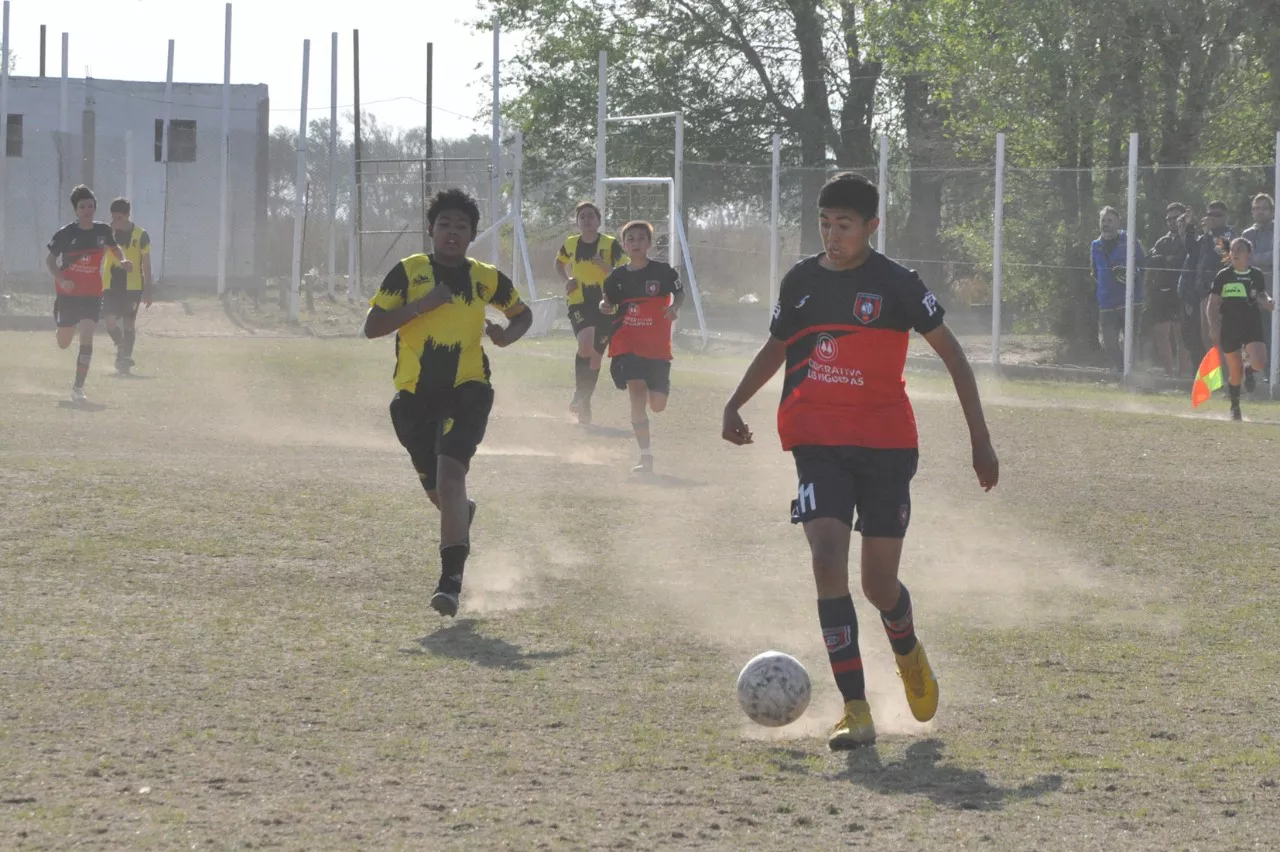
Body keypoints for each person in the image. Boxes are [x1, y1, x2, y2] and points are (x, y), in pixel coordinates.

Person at [720, 173, 999, 750]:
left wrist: (980, 440)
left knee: (877, 584)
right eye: (824, 223)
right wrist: (734, 402)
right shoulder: (800, 281)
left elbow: (954, 356)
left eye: (844, 224)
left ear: (872, 227)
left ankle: (907, 647)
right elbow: (776, 347)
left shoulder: (897, 284)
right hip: (817, 441)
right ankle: (855, 708)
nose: (832, 234)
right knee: (827, 559)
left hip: (886, 445)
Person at [363, 188, 533, 617]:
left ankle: (449, 584)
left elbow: (522, 314)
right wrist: (422, 305)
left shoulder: (486, 278)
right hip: (414, 397)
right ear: (431, 230)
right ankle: (461, 514)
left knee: (452, 476)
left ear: (473, 235)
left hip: (468, 390)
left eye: (461, 227)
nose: (452, 233)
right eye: (444, 225)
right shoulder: (409, 272)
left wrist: (505, 336)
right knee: (443, 494)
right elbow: (372, 326)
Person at [599, 220, 684, 474]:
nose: (635, 243)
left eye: (640, 238)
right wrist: (603, 307)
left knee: (657, 405)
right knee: (636, 395)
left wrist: (674, 307)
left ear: (649, 242)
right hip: (627, 343)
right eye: (630, 239)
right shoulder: (616, 278)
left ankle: (649, 391)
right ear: (624, 245)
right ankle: (646, 456)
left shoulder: (664, 272)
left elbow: (680, 293)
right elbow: (607, 303)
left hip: (657, 347)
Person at [45, 185, 131, 404]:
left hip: (91, 293)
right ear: (76, 210)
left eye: (91, 205)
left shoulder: (103, 231)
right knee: (64, 342)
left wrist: (122, 259)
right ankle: (63, 325)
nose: (87, 209)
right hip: (68, 293)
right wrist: (62, 279)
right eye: (82, 206)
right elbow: (50, 261)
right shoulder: (66, 233)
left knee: (87, 332)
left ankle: (78, 388)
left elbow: (115, 248)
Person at [555, 201, 626, 424]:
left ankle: (585, 401)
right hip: (579, 301)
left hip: (607, 302)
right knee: (585, 343)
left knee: (595, 357)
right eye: (582, 216)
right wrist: (567, 280)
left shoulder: (610, 244)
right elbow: (559, 263)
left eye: (591, 216)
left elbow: (625, 271)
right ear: (577, 222)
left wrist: (606, 268)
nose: (587, 220)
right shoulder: (570, 243)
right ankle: (579, 392)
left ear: (599, 221)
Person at [1207, 237, 1274, 421]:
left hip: (1252, 324)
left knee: (1260, 362)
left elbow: (1262, 294)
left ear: (1248, 254)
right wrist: (1213, 327)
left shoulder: (1256, 274)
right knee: (1235, 372)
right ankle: (1235, 407)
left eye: (1240, 250)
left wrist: (1267, 302)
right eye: (1233, 250)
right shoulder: (1223, 275)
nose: (1235, 253)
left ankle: (1250, 370)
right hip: (1230, 326)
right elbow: (1212, 304)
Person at [102, 198, 153, 374]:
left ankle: (124, 360)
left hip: (133, 285)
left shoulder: (141, 235)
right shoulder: (108, 233)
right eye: (113, 217)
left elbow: (146, 264)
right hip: (111, 284)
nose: (115, 221)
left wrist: (148, 289)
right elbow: (99, 255)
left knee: (129, 324)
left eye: (119, 218)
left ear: (127, 215)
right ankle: (121, 346)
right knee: (109, 323)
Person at [1090, 207, 1144, 373]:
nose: (1105, 224)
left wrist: (1132, 276)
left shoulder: (1129, 240)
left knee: (1130, 341)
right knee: (1108, 341)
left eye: (1109, 220)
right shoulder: (1095, 245)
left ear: (1118, 222)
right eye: (1103, 221)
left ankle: (1132, 374)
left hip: (1130, 300)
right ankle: (1123, 370)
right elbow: (1094, 271)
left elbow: (1143, 264)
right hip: (1106, 301)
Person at [1181, 200, 1234, 358]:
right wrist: (1189, 227)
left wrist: (1212, 234)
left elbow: (1226, 255)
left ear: (1225, 216)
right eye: (1210, 214)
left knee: (1218, 335)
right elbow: (1191, 250)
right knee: (1207, 337)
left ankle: (1228, 375)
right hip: (1204, 290)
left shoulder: (1229, 234)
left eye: (1217, 215)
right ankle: (1214, 376)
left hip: (1222, 292)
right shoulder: (1206, 235)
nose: (1213, 218)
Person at [1146, 203, 1191, 376]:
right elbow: (1151, 260)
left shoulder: (1190, 239)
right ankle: (1169, 375)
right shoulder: (1162, 241)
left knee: (1181, 337)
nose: (1173, 222)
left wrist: (1166, 260)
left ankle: (1183, 376)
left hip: (1181, 293)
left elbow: (1180, 261)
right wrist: (1167, 259)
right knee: (1160, 334)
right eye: (1169, 219)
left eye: (1177, 218)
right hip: (1161, 293)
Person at [1241, 193, 1275, 350]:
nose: (1260, 211)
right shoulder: (1247, 234)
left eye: (1264, 208)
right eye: (1256, 208)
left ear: (1272, 211)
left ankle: (1272, 372)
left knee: (1273, 334)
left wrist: (1255, 257)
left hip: (1274, 292)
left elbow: (1276, 256)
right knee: (1254, 335)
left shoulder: (1277, 230)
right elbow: (1243, 259)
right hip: (1253, 292)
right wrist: (1266, 257)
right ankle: (1255, 373)